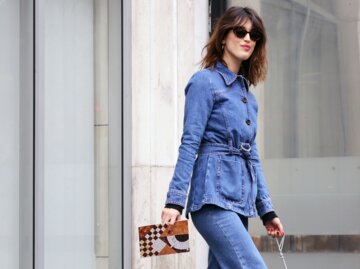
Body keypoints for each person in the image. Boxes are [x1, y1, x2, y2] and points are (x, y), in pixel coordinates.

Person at [161, 6, 284, 269]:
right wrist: (174, 201)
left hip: (240, 202)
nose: (247, 39)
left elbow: (252, 156)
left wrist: (267, 211)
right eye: (240, 31)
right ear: (223, 37)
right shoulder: (204, 82)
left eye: (254, 35)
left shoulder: (248, 99)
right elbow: (190, 142)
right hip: (212, 199)